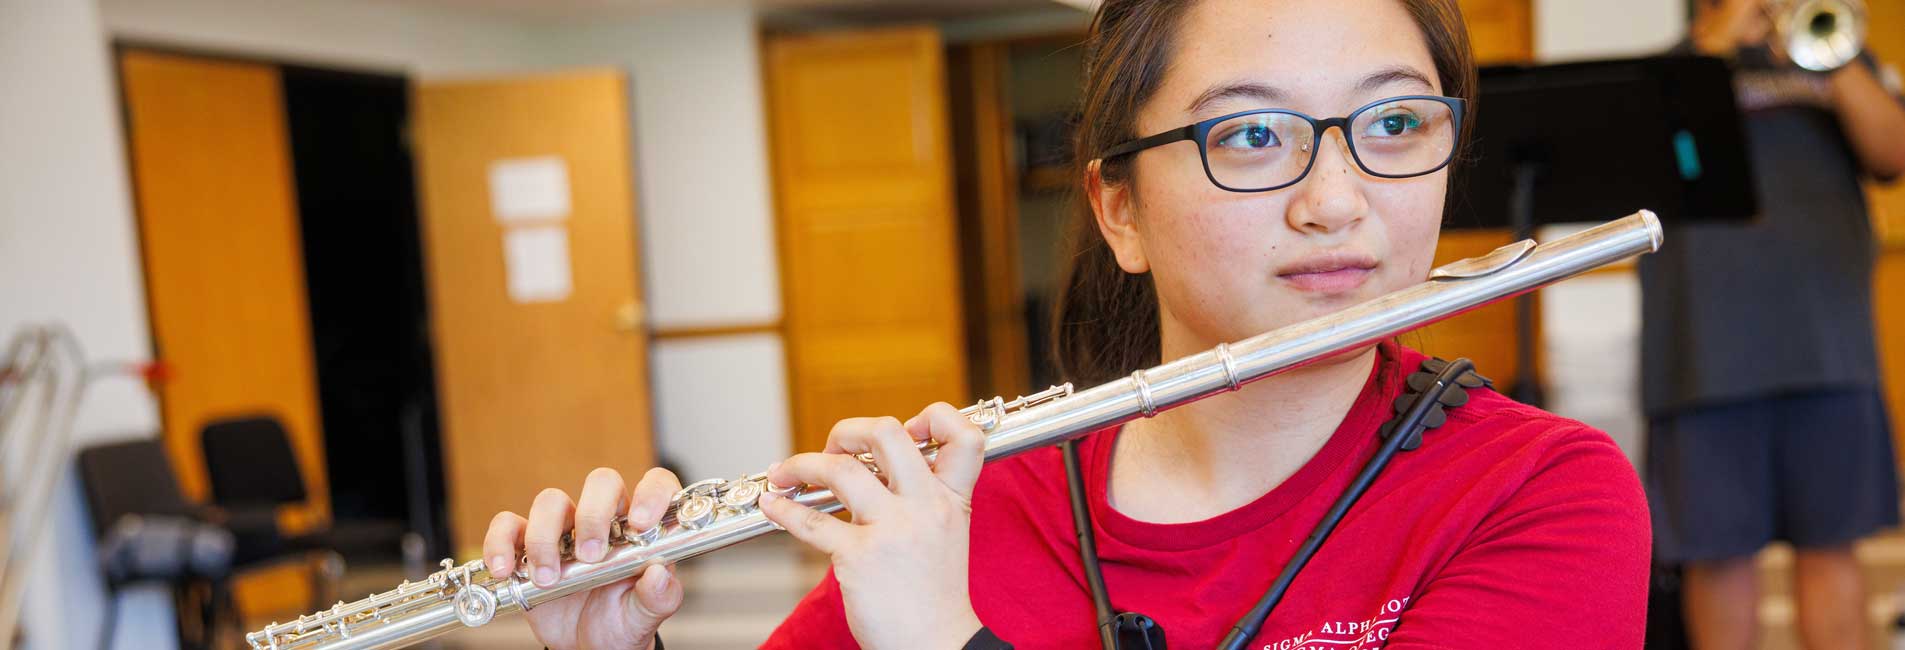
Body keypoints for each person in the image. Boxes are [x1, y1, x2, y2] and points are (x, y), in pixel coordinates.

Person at [482, 0, 1652, 647]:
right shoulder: (975, 508)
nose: (1338, 198)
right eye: (1248, 135)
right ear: (1118, 208)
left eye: (1394, 124)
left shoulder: (1542, 493)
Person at [1641, 1, 1905, 648]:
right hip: (1703, 354)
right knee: (1718, 555)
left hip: (1827, 347)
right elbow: (1654, 166)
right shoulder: (1664, 74)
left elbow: (1891, 153)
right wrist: (1719, 43)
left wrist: (1833, 59)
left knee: (1831, 545)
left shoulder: (1833, 53)